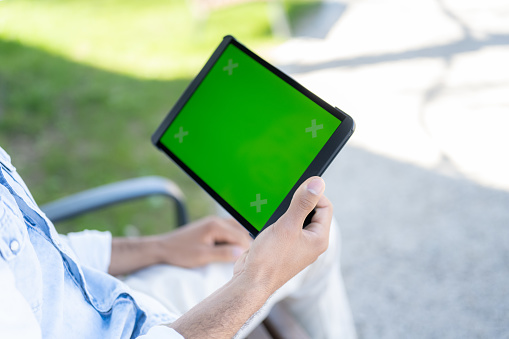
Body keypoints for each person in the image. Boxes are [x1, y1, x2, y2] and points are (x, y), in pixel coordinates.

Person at [0, 145, 355, 338]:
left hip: (108, 301)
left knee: (275, 234)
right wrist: (257, 282)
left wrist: (161, 246)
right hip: (154, 327)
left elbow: (39, 252)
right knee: (307, 242)